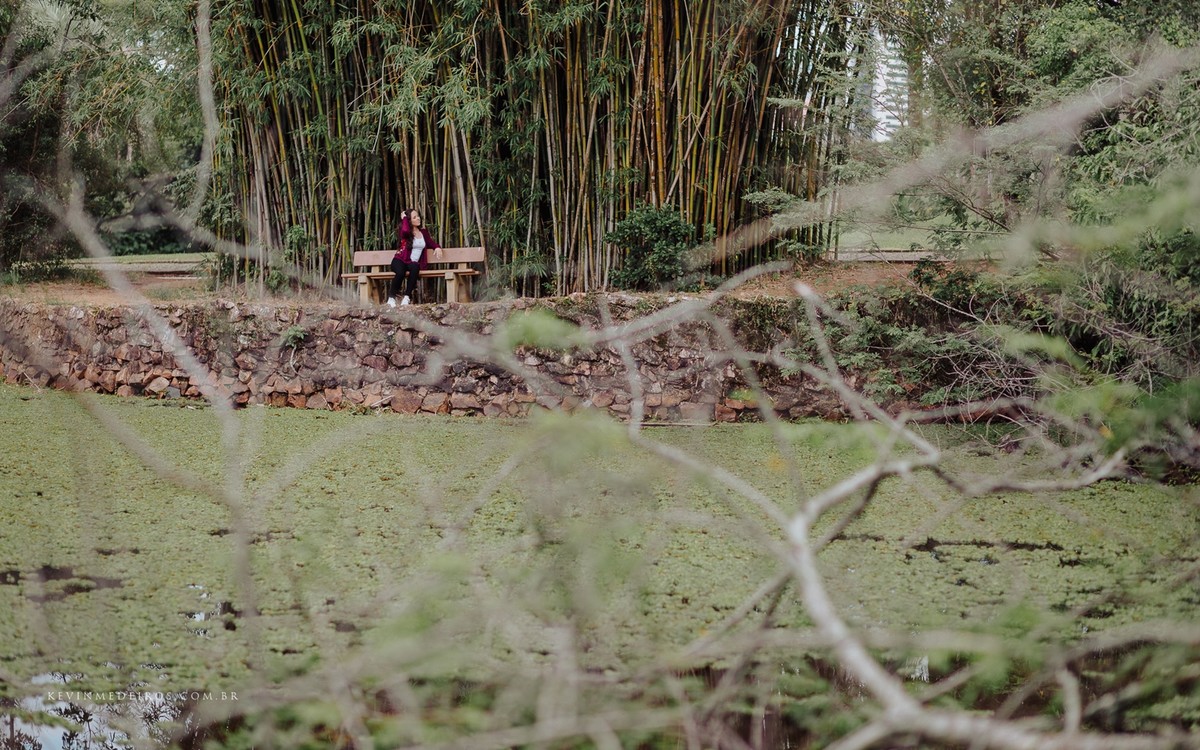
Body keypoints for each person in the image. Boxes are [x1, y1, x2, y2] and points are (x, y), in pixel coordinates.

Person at [388, 208, 442, 307]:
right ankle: (391, 298)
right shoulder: (406, 232)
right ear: (409, 221)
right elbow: (405, 231)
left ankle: (406, 297)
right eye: (414, 217)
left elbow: (430, 243)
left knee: (415, 267)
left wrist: (437, 247)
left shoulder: (424, 232)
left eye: (418, 216)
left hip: (411, 263)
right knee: (400, 273)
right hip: (400, 260)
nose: (418, 218)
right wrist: (404, 219)